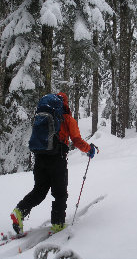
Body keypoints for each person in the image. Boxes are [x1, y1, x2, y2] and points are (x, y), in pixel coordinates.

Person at [10, 92, 96, 234]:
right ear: (65, 103)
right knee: (60, 193)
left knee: (39, 191)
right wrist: (89, 149)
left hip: (40, 157)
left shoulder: (42, 116)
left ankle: (19, 211)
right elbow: (77, 140)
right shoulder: (67, 118)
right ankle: (57, 224)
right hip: (57, 159)